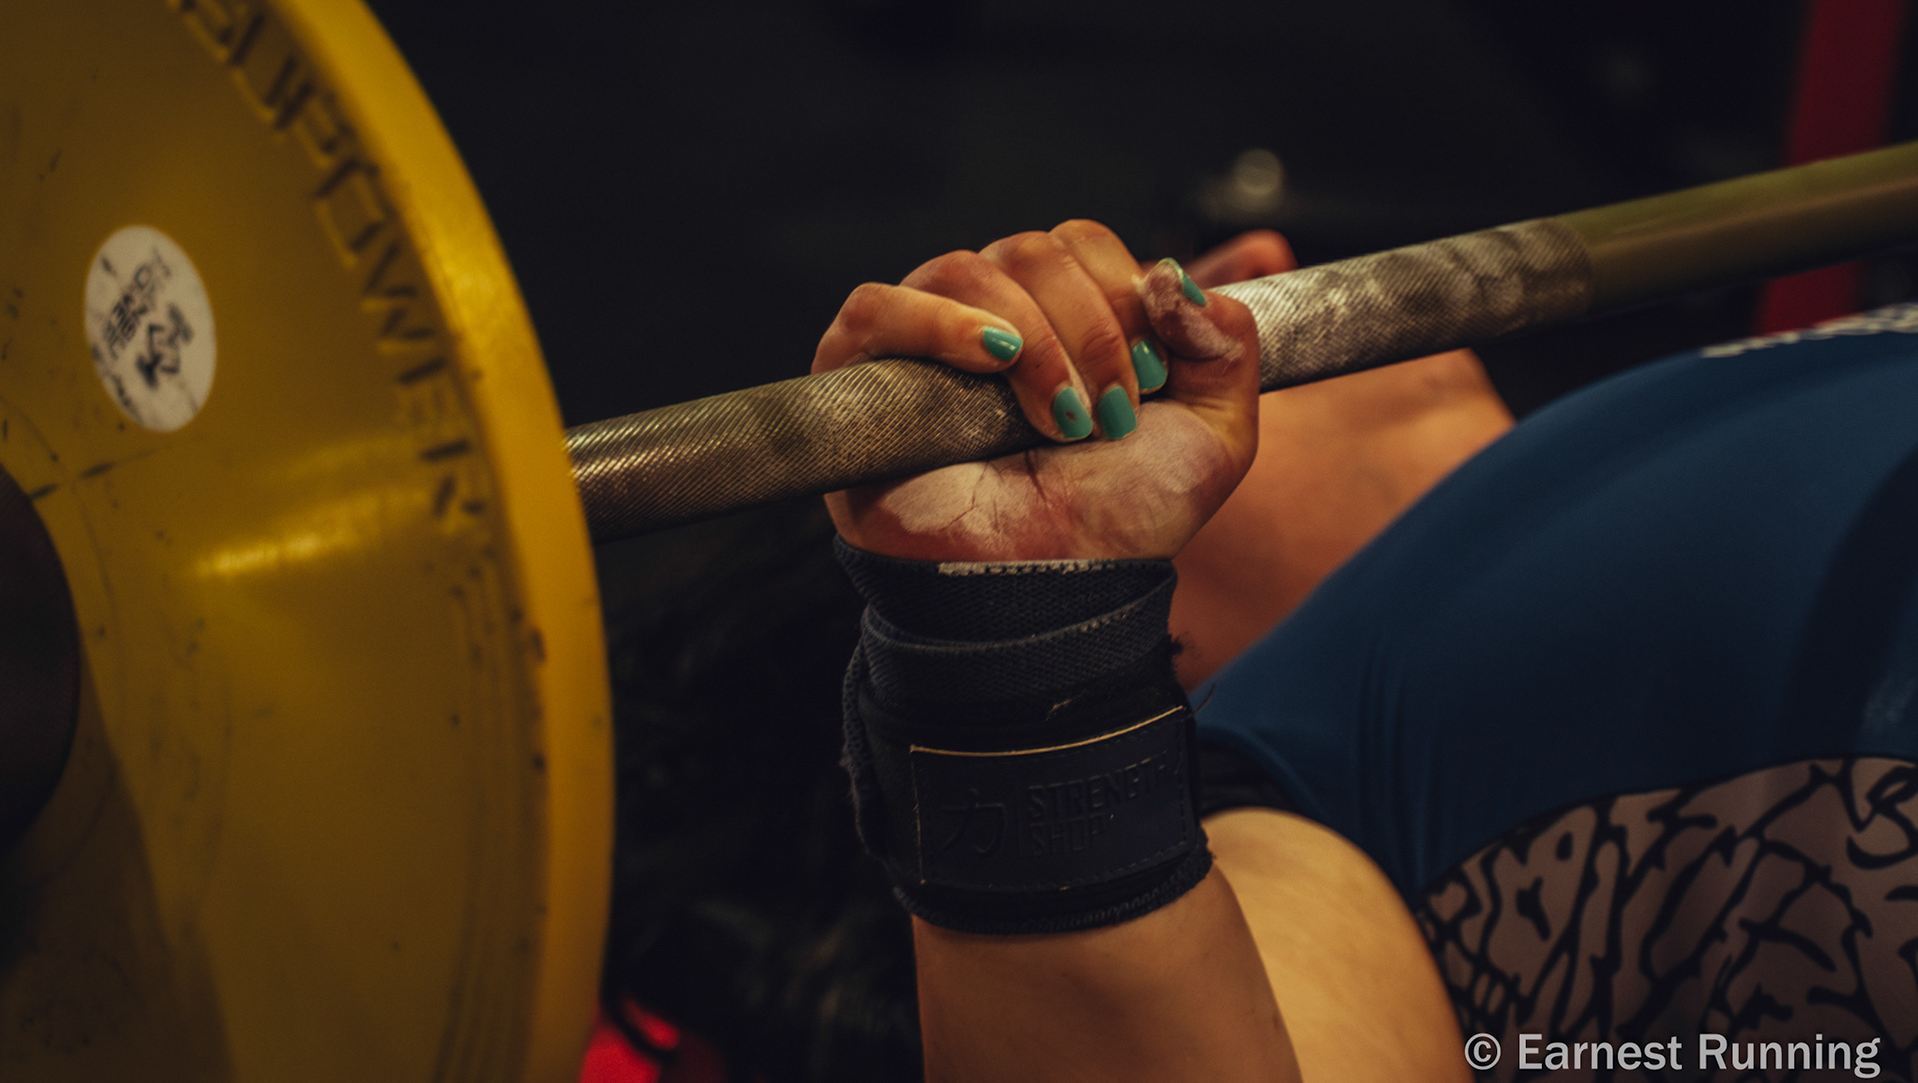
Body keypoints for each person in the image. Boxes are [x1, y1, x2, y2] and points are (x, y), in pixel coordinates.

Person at [816, 219, 1918, 1080]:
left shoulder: (1656, 442)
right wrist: (1015, 642)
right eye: (1107, 374)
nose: (1260, 263)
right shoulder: (1323, 808)